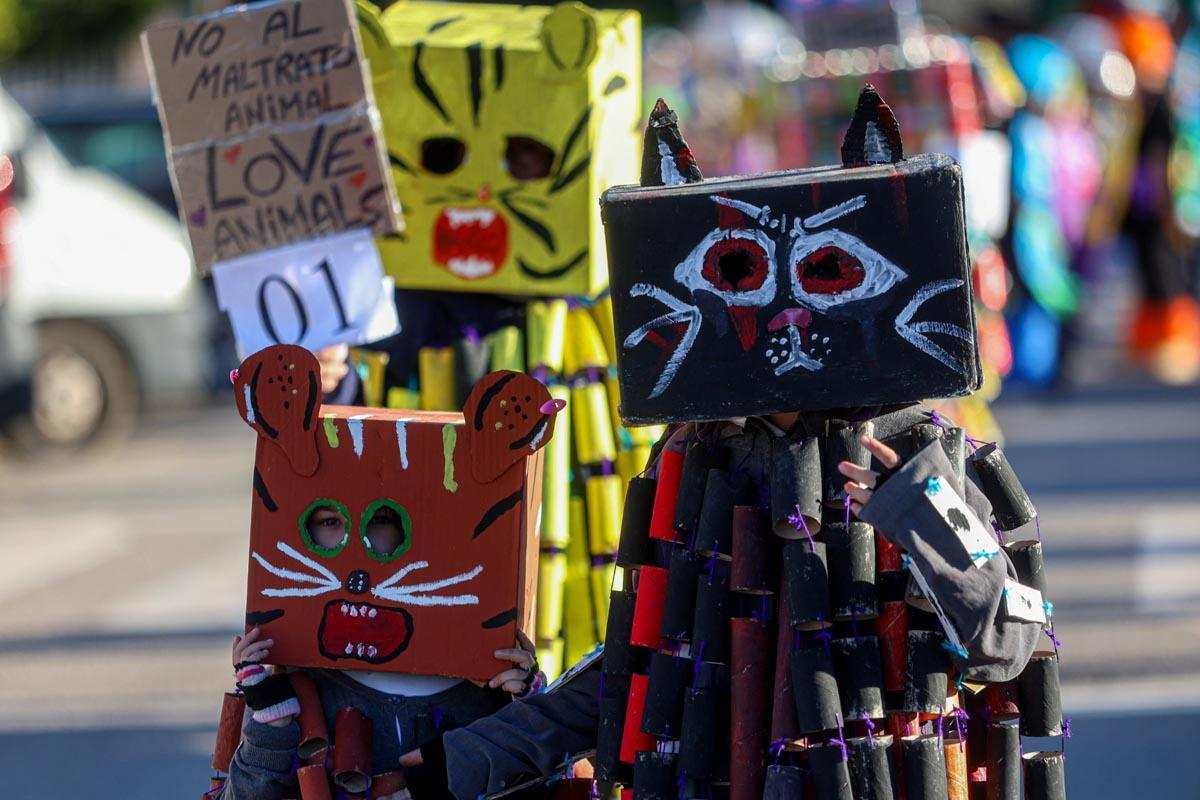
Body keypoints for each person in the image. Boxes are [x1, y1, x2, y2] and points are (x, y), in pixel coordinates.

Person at [220, 471, 546, 800]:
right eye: (331, 522)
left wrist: (528, 711)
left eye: (379, 520)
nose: (355, 548)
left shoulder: (485, 690)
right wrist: (271, 726)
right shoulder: (296, 691)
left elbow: (538, 785)